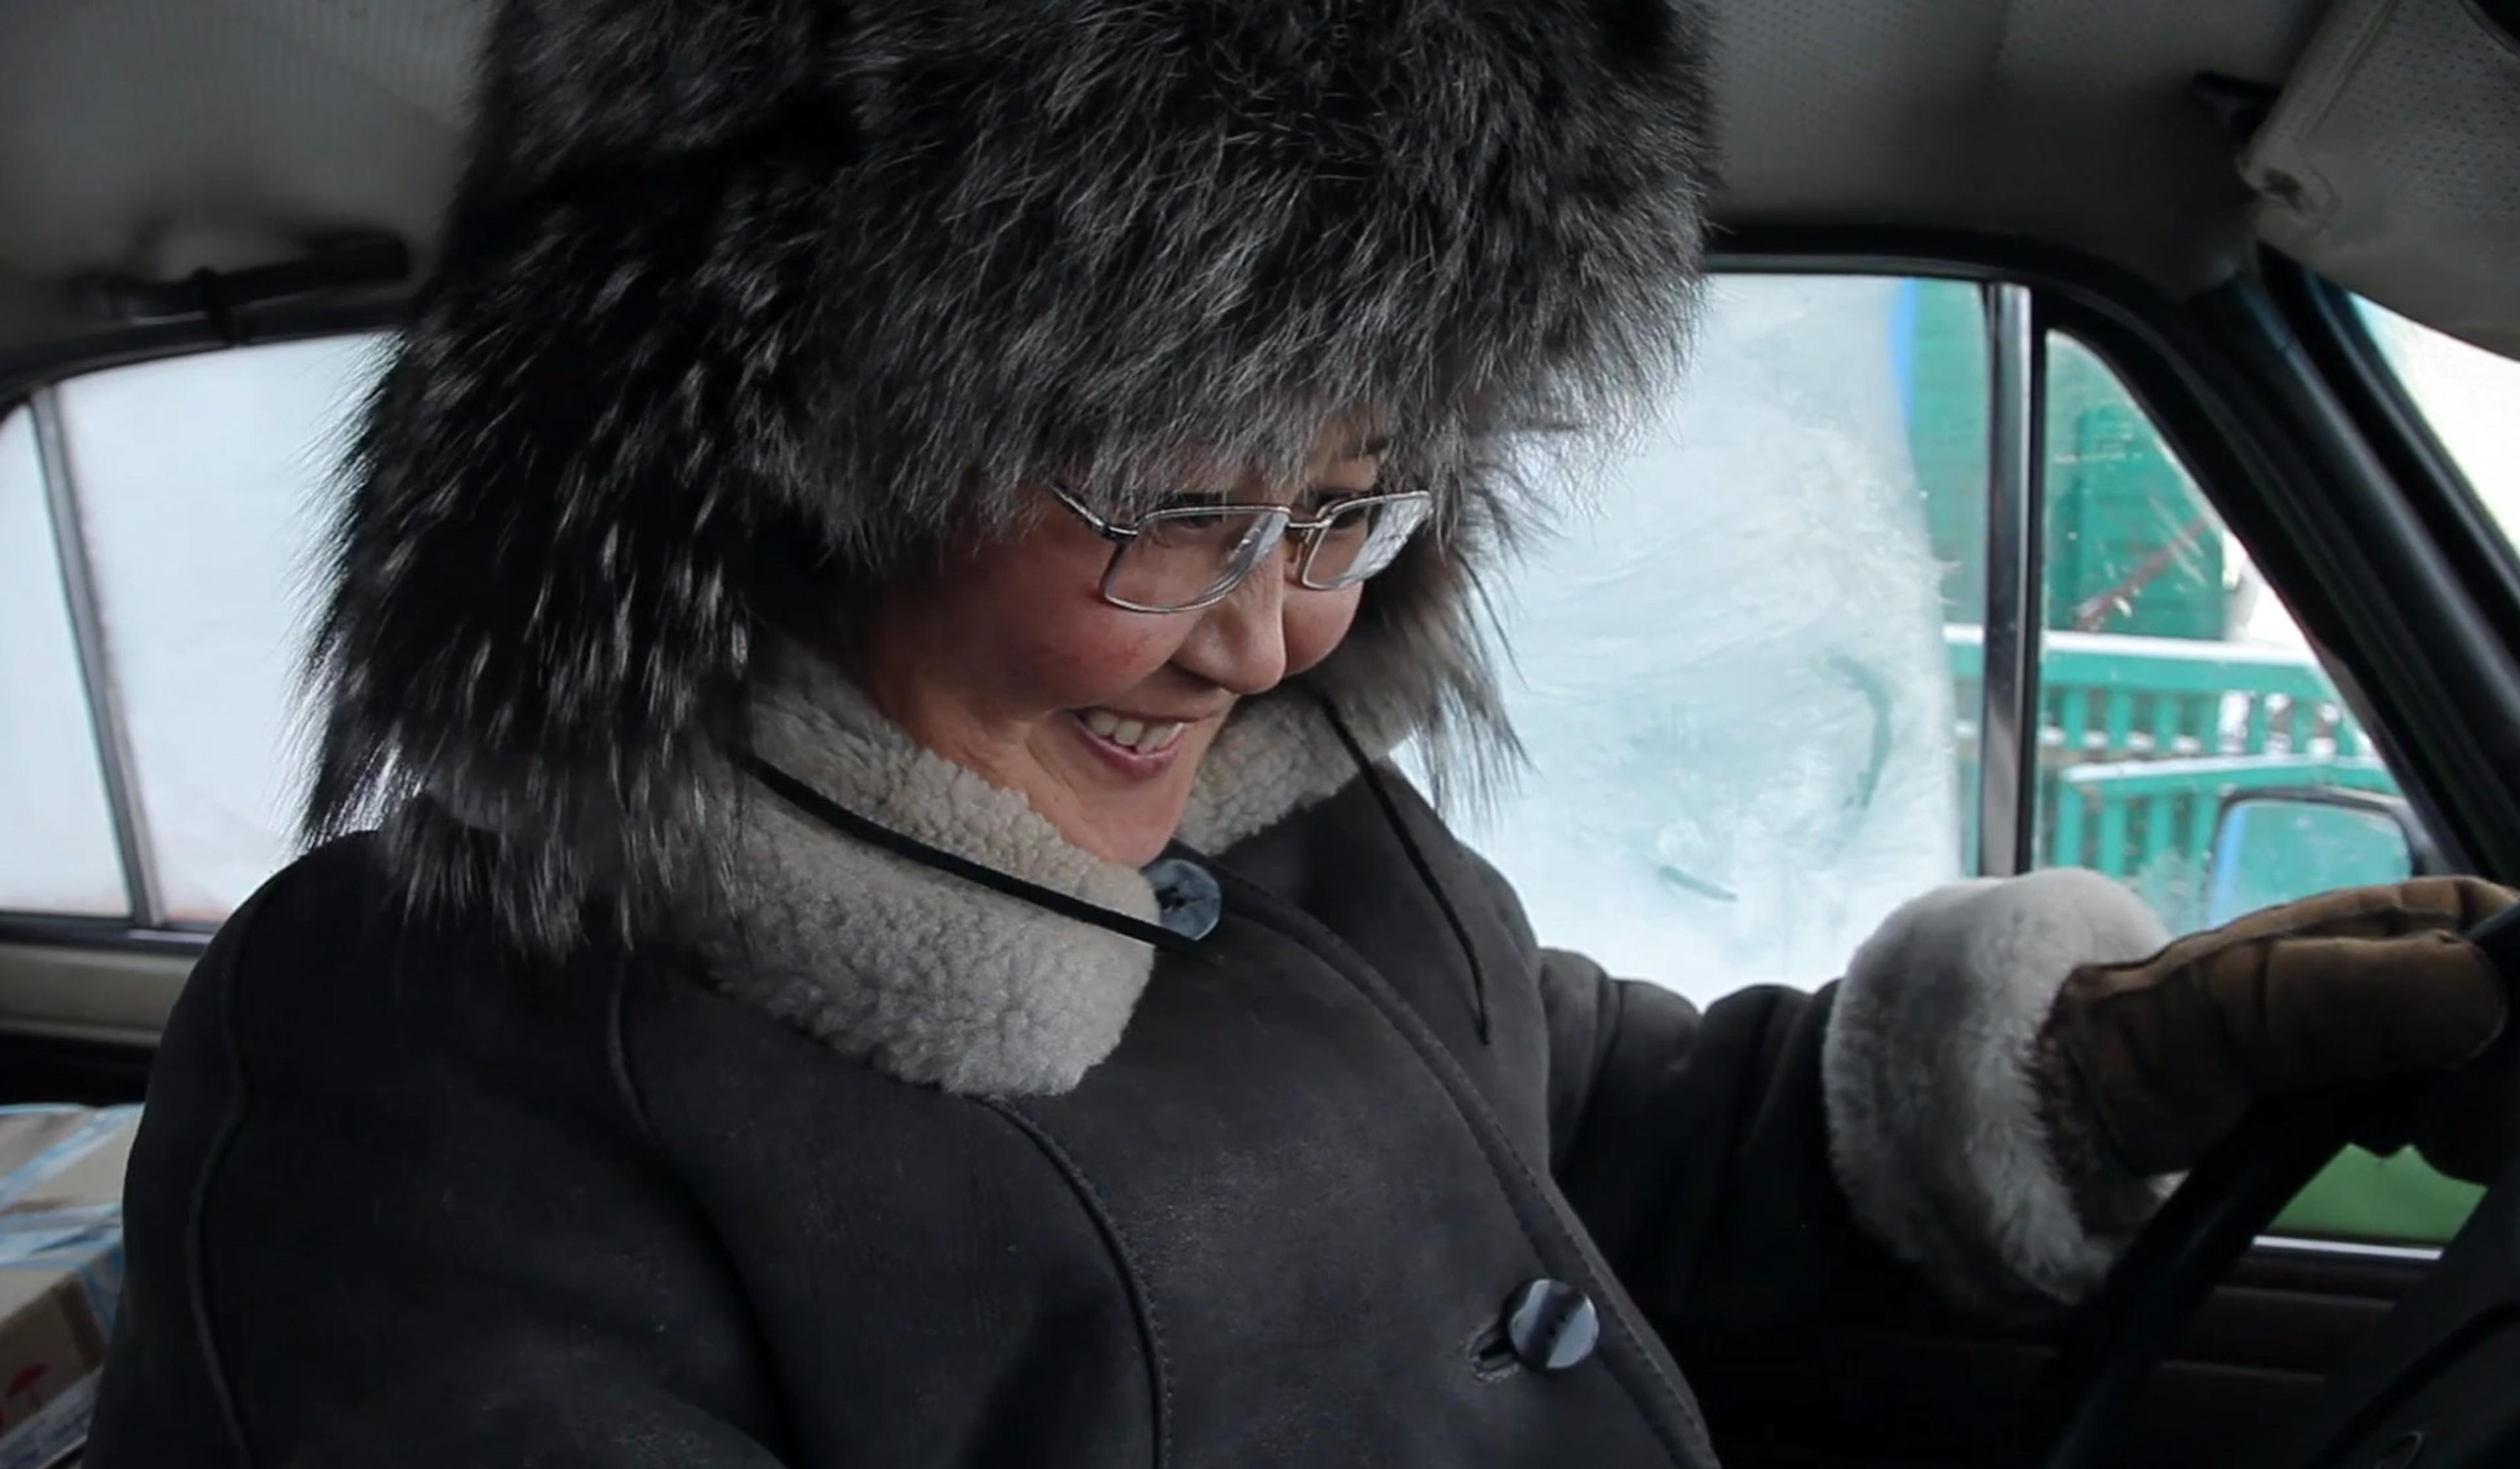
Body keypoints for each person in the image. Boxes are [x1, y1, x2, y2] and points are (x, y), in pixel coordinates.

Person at [85, 2, 2520, 1464]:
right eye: (1170, 507)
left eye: (1355, 504)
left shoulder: (1294, 847)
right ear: (775, 444)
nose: (1266, 642)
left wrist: (2144, 1059)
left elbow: (1612, 1151)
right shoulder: (411, 1062)